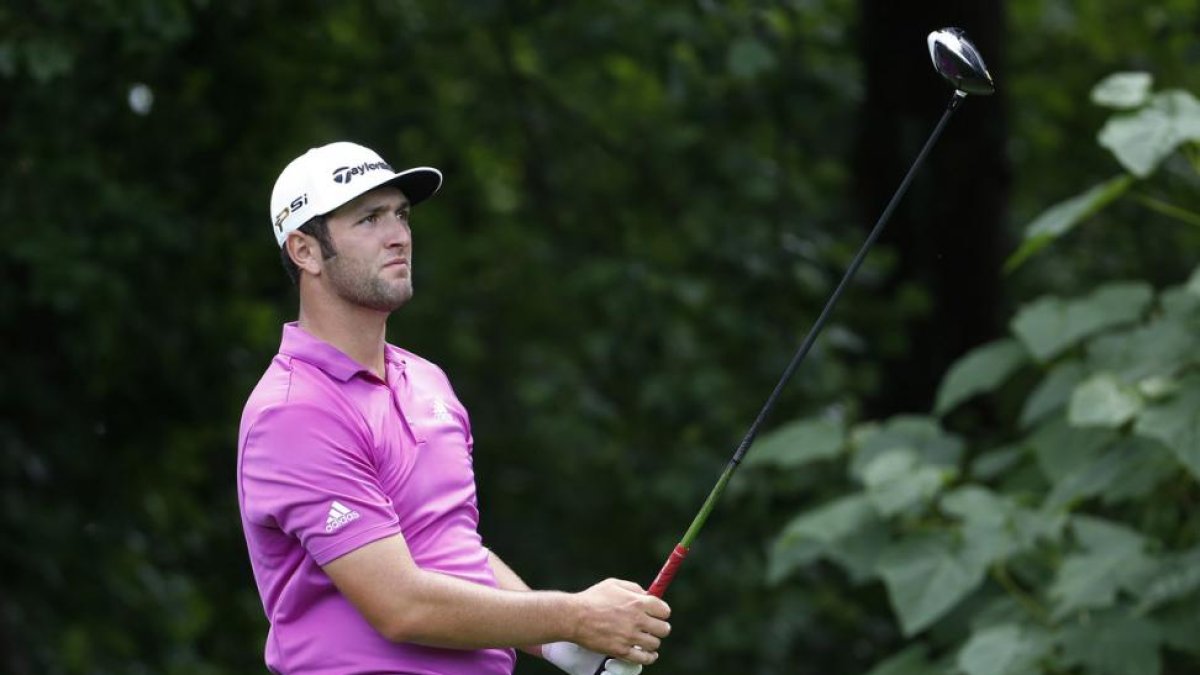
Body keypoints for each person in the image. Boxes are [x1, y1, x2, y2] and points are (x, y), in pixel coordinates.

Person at [237, 141, 671, 675]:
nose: (398, 235)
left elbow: (451, 547)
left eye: (400, 214)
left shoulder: (427, 381)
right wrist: (573, 616)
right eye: (369, 219)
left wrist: (556, 646)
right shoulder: (294, 413)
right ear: (305, 251)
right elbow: (401, 606)